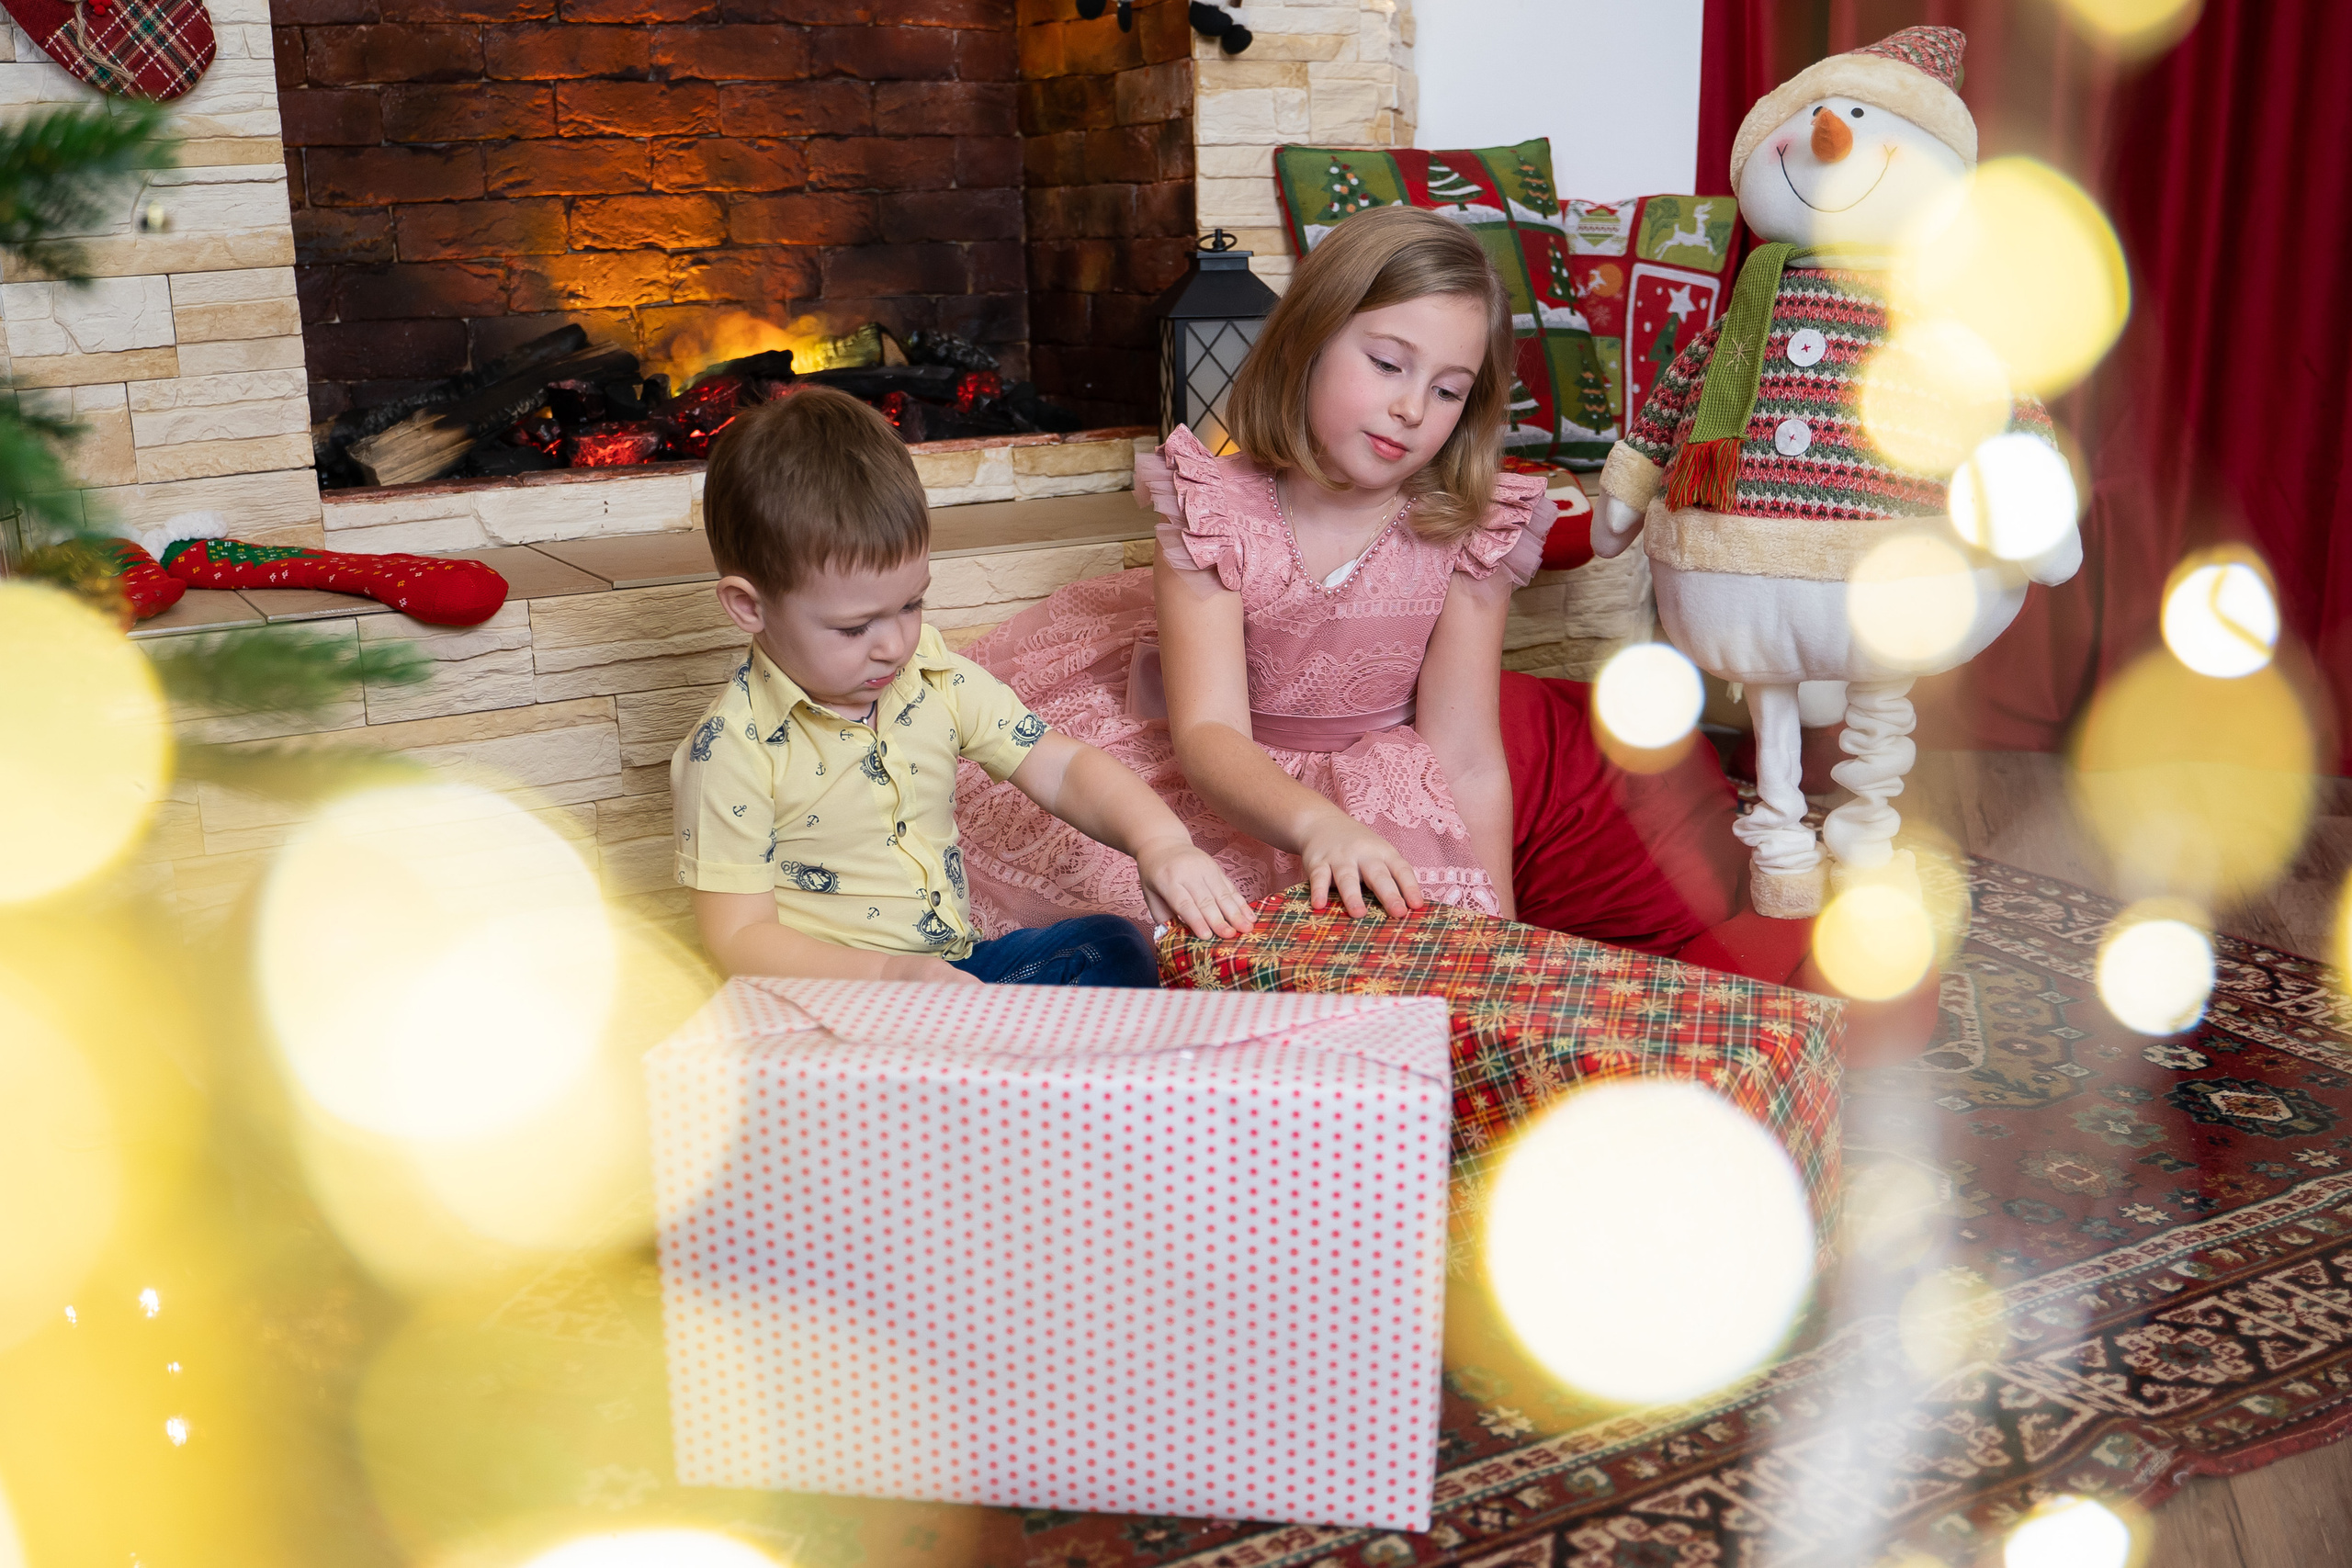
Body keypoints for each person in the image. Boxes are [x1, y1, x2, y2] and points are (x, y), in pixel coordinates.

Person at [950, 206, 1549, 927]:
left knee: (1409, 940)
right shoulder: (1214, 512)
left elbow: (1469, 758)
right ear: (1309, 341)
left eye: (1448, 390)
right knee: (1138, 908)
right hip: (1227, 777)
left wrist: (1509, 932)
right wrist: (1316, 823)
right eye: (1388, 364)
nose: (1412, 408)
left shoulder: (1467, 531)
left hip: (1382, 800)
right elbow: (1209, 734)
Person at [671, 386, 1256, 988]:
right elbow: (739, 937)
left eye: (910, 604)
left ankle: (1008, 1039)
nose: (894, 644)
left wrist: (1159, 841)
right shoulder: (731, 750)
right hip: (835, 997)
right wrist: (890, 974)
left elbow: (1060, 766)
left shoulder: (930, 677)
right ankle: (1007, 1043)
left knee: (1110, 943)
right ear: (749, 606)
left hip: (952, 975)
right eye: (854, 628)